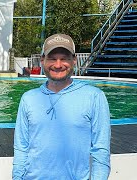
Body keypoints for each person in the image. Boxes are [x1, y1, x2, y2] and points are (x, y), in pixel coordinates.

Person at [12, 34, 111, 179]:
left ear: (74, 61)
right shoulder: (28, 98)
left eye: (64, 58)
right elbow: (21, 148)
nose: (58, 65)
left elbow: (101, 151)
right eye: (52, 58)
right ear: (42, 61)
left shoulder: (94, 97)